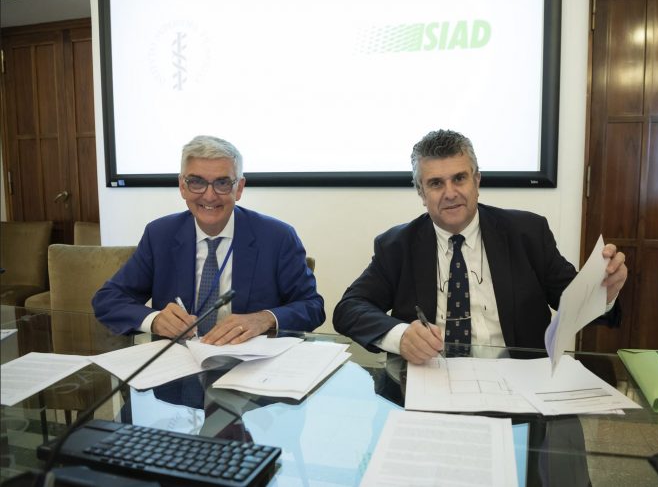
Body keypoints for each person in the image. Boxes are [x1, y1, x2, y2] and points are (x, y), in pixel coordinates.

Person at [333, 129, 627, 364]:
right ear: (421, 193)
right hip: (430, 381)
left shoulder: (527, 233)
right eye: (436, 184)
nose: (450, 193)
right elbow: (349, 308)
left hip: (519, 382)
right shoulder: (397, 245)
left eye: (459, 178)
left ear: (477, 180)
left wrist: (604, 292)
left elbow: (573, 302)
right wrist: (400, 336)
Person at [93, 135, 324, 344]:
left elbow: (312, 306)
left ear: (239, 188)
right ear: (182, 186)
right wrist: (154, 320)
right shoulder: (160, 235)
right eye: (197, 182)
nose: (210, 195)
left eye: (222, 183)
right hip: (177, 365)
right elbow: (108, 299)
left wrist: (264, 319)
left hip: (249, 365)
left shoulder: (277, 237)